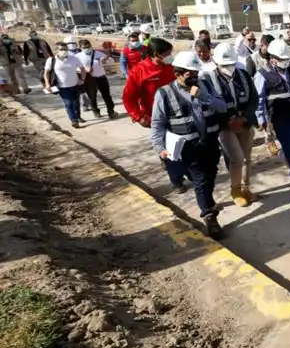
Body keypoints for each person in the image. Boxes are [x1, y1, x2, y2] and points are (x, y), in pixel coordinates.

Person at [150, 51, 228, 238]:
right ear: (177, 74)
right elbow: (157, 123)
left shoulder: (205, 86)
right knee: (201, 180)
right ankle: (210, 215)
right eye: (189, 74)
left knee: (209, 177)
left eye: (195, 73)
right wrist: (159, 147)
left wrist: (205, 97)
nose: (193, 77)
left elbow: (222, 106)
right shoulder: (164, 93)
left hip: (209, 143)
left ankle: (206, 199)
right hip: (187, 148)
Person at [122, 37, 191, 193]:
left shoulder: (172, 67)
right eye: (166, 53)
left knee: (185, 145)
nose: (169, 56)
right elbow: (128, 98)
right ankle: (177, 180)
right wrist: (138, 116)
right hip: (157, 117)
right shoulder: (139, 71)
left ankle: (185, 170)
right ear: (155, 54)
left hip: (179, 113)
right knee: (171, 150)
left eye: (170, 53)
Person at [200, 42, 258, 207]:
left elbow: (253, 98)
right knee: (237, 159)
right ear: (216, 63)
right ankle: (235, 190)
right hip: (225, 126)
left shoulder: (244, 75)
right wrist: (227, 121)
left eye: (231, 64)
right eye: (225, 65)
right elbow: (208, 105)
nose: (229, 67)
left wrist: (245, 117)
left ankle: (246, 188)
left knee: (247, 159)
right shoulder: (207, 79)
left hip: (245, 123)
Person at [254, 38, 290, 187]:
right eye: (281, 58)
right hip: (279, 116)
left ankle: (285, 154)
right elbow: (259, 98)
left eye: (286, 58)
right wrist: (261, 118)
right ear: (272, 57)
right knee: (289, 144)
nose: (285, 61)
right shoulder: (263, 74)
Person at [44, 41, 85, 128]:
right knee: (69, 103)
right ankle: (74, 120)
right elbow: (46, 73)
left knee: (76, 103)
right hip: (62, 87)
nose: (64, 51)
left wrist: (82, 79)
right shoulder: (51, 60)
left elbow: (82, 69)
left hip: (75, 85)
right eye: (61, 49)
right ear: (56, 50)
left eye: (65, 49)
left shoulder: (73, 58)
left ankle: (78, 116)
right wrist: (47, 84)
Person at [75, 39, 117, 119]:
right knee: (92, 97)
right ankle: (96, 112)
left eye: (88, 46)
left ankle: (111, 112)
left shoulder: (98, 53)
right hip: (90, 80)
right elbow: (74, 67)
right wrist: (84, 70)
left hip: (101, 77)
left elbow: (111, 61)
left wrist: (106, 60)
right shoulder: (78, 57)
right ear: (80, 47)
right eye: (84, 47)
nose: (87, 48)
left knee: (107, 96)